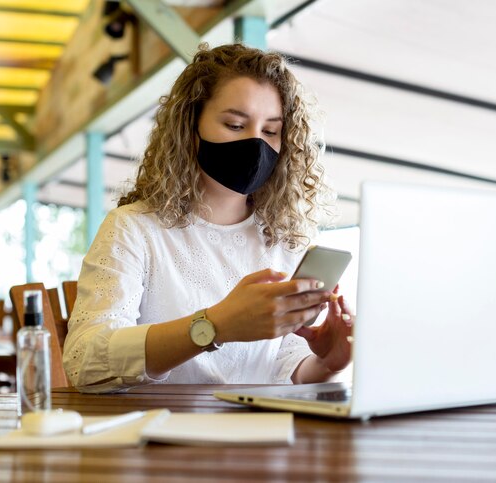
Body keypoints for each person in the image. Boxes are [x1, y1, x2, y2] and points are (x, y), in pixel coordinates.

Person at [63, 43, 353, 393]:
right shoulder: (134, 229)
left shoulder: (285, 240)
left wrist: (326, 362)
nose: (255, 143)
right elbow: (84, 362)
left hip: (258, 439)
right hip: (158, 435)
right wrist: (214, 326)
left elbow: (280, 364)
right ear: (190, 126)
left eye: (270, 131)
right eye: (234, 124)